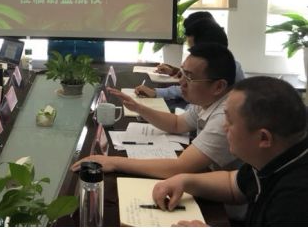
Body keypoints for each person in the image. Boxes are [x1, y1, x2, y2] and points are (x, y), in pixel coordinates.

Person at [151, 76, 308, 226]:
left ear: (263, 138)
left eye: (230, 121)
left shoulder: (295, 199)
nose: (224, 126)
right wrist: (184, 181)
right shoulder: (275, 156)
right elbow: (233, 184)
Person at [72, 43, 240, 179]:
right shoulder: (207, 99)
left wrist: (113, 162)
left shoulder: (225, 117)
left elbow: (179, 168)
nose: (181, 82)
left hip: (225, 206)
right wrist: (138, 108)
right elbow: (177, 124)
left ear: (218, 86)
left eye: (189, 77)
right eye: (182, 73)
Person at [135, 17, 245, 100]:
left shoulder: (227, 72)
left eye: (194, 49)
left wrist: (156, 93)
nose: (191, 54)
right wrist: (175, 71)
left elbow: (191, 87)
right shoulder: (221, 65)